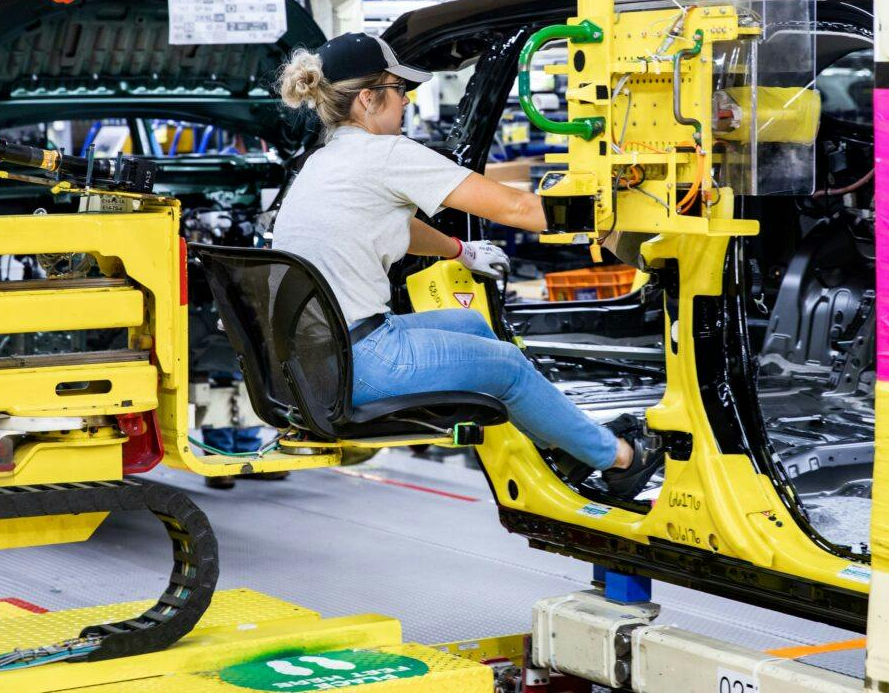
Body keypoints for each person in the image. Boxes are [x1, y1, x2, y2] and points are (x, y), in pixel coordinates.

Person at [271, 32, 662, 497]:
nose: (406, 102)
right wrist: (613, 210)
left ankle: (562, 438)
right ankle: (619, 459)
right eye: (400, 90)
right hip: (364, 362)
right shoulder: (385, 154)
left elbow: (392, 224)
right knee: (507, 366)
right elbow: (518, 209)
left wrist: (461, 250)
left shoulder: (323, 162)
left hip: (319, 360)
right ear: (368, 99)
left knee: (473, 326)